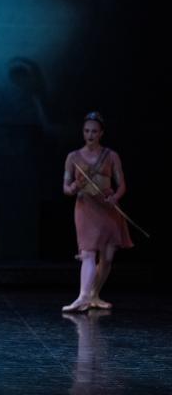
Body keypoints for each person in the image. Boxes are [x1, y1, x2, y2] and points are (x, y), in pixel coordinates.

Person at [62, 111, 133, 312]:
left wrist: (115, 197)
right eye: (86, 131)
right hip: (86, 207)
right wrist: (74, 187)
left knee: (107, 257)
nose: (90, 135)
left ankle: (94, 295)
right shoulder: (73, 157)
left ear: (101, 133)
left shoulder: (111, 156)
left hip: (107, 208)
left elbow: (122, 185)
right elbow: (65, 188)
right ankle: (83, 297)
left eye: (94, 131)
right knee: (88, 252)